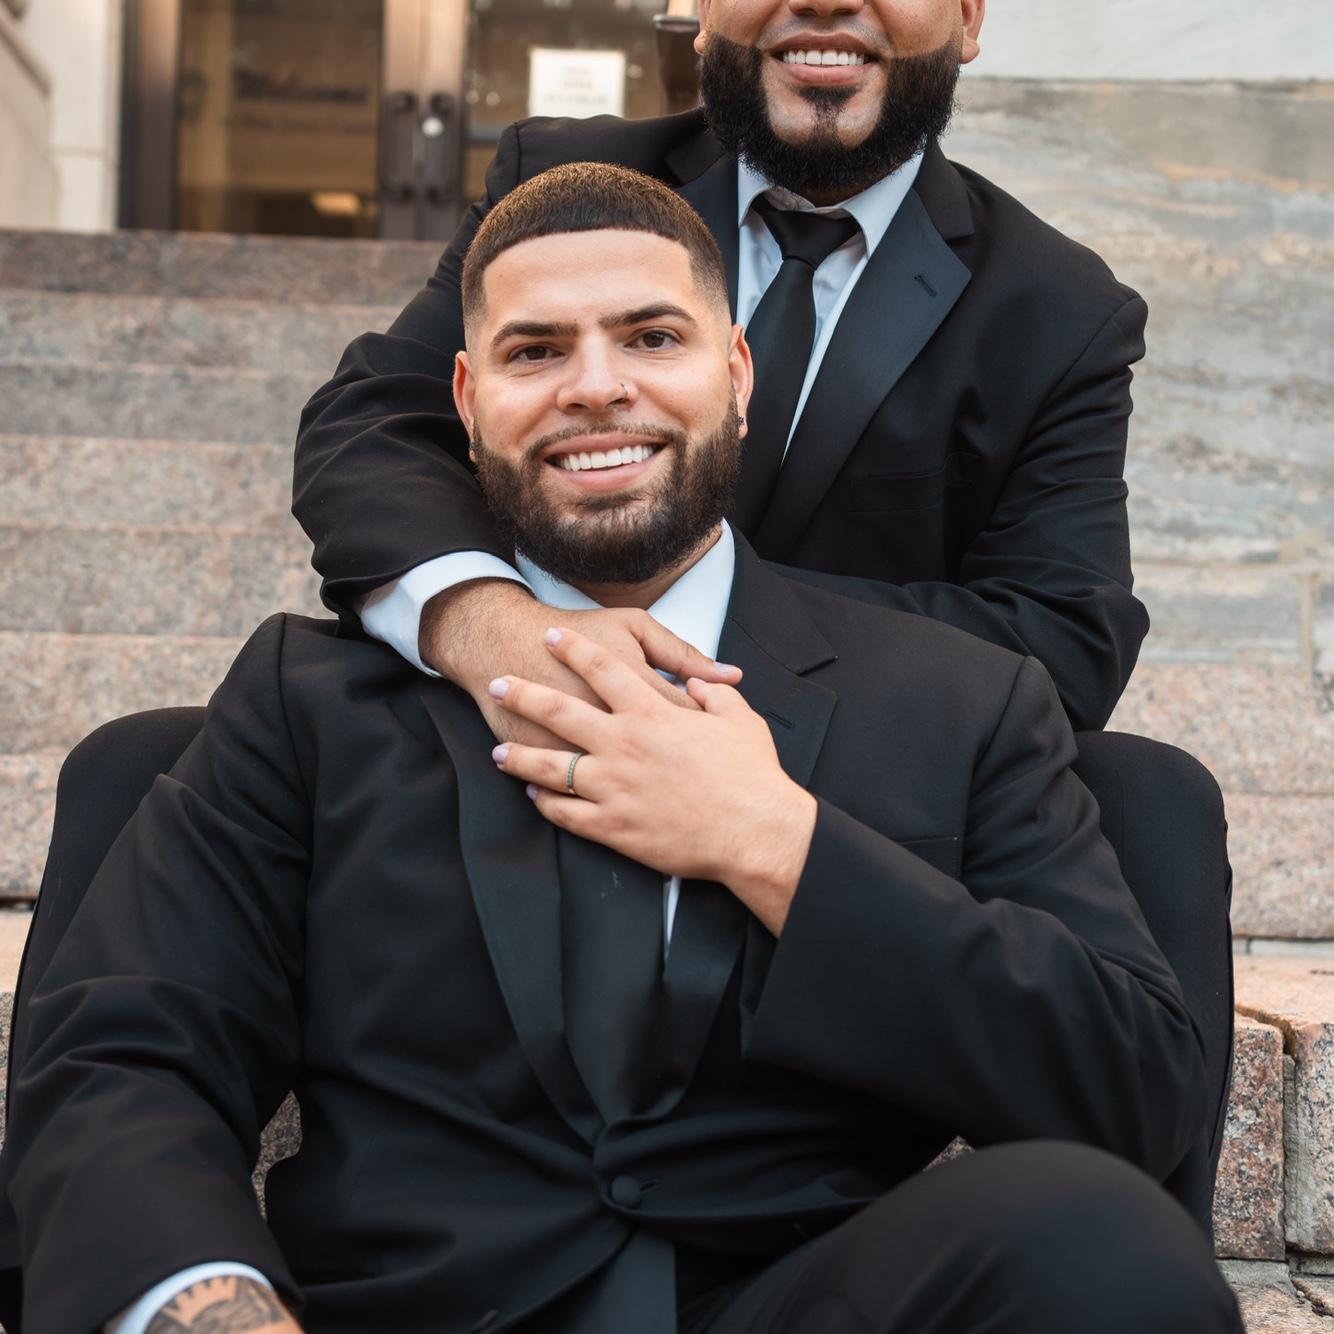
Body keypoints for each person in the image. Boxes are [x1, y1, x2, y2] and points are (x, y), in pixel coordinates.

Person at [5, 165, 1240, 1334]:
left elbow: (1129, 1088)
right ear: (465, 402)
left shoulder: (957, 699)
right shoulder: (306, 700)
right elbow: (129, 1054)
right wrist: (213, 1307)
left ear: (737, 372)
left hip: (790, 1298)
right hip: (404, 1310)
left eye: (651, 337)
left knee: (1099, 1238)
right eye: (534, 351)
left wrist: (777, 845)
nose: (595, 387)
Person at [291, 0, 1234, 1228]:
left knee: (1151, 802)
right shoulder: (564, 185)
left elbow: (1061, 628)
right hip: (533, 695)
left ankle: (1138, 1258)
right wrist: (498, 626)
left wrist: (715, 634)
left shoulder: (1057, 304)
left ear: (966, 17)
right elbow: (375, 430)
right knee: (159, 761)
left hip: (856, 767)